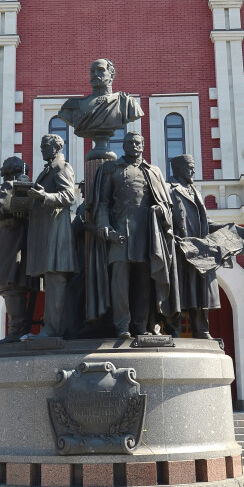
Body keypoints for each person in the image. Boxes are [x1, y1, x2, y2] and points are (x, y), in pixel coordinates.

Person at [94, 130, 180, 338]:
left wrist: (161, 211)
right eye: (129, 142)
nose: (133, 145)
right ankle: (122, 326)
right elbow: (102, 203)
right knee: (119, 284)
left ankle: (141, 327)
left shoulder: (153, 171)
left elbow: (166, 204)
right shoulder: (110, 169)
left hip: (146, 236)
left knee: (144, 283)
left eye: (137, 142)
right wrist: (106, 229)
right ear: (123, 146)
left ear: (143, 145)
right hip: (119, 234)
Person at [27, 133, 77, 338]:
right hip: (47, 232)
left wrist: (44, 196)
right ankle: (51, 328)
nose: (41, 149)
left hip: (57, 234)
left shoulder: (62, 167)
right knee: (51, 281)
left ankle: (52, 329)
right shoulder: (48, 169)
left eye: (44, 146)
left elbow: (68, 196)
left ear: (56, 147)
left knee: (55, 281)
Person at [0, 155, 32, 343]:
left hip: (10, 242)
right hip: (20, 242)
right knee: (14, 286)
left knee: (9, 285)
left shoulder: (10, 186)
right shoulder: (27, 187)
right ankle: (18, 330)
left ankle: (16, 332)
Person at [169, 153, 220, 338]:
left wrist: (227, 228)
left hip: (200, 250)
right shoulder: (169, 189)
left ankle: (202, 330)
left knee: (201, 291)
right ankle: (174, 330)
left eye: (193, 166)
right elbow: (162, 219)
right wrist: (174, 239)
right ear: (177, 169)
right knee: (178, 291)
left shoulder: (195, 191)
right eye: (189, 167)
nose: (193, 170)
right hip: (178, 249)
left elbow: (206, 221)